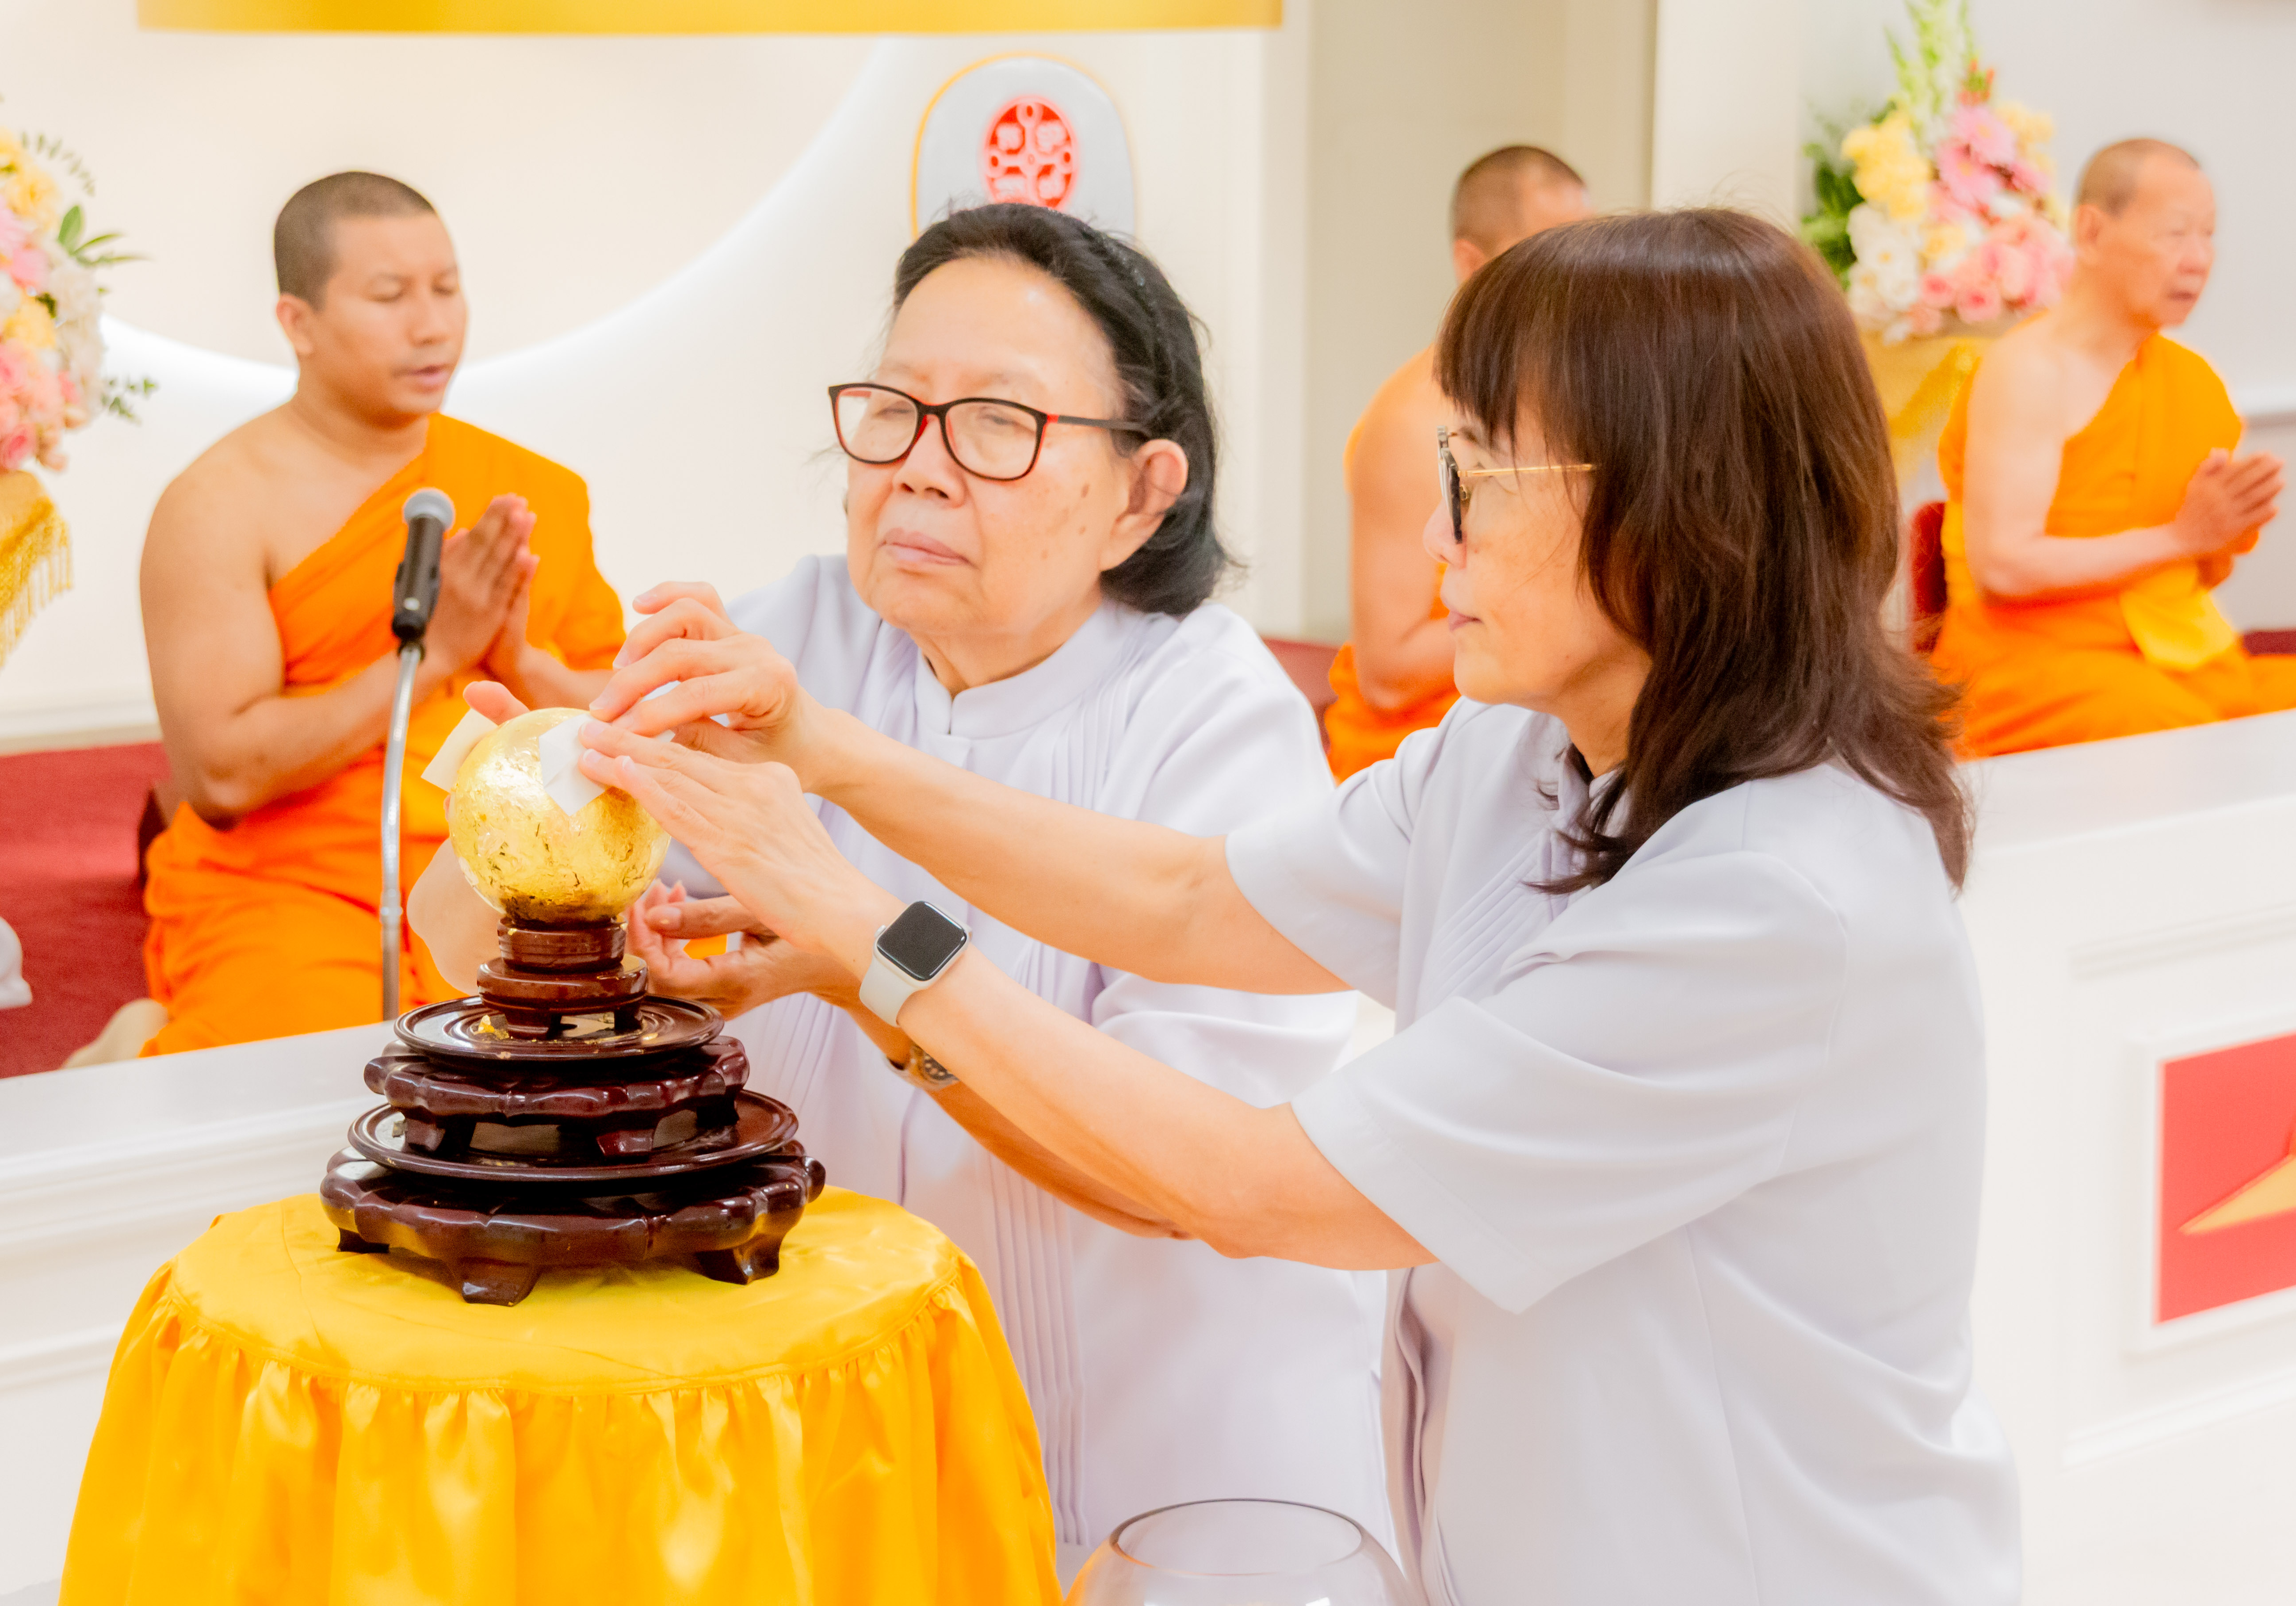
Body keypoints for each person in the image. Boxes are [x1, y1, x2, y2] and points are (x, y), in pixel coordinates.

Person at [563, 210, 2022, 1605]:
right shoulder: (1520, 753)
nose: (1430, 536)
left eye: (1481, 477)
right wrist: (825, 755)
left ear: (1679, 513)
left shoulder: (1774, 902)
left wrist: (852, 922)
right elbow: (1190, 895)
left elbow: (1249, 1185)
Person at [410, 205, 1385, 1557]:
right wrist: (562, 783)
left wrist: (860, 971)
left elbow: (1173, 1172)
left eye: (999, 425)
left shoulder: (1219, 720)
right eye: (895, 411)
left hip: (1156, 1468)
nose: (919, 472)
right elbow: (459, 945)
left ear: (1143, 493)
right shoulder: (804, 630)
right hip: (847, 1433)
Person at [132, 172, 622, 1057]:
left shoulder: (528, 491)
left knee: (660, 1043)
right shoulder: (219, 505)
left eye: (447, 288)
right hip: (295, 884)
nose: (432, 324)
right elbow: (225, 775)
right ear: (299, 323)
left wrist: (519, 662)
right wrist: (433, 656)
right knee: (297, 1079)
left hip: (518, 874)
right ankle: (134, 1042)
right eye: (390, 296)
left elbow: (618, 710)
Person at [1931, 138, 2292, 755]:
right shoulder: (2028, 372)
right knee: (2182, 746)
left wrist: (2219, 527)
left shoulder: (2189, 379)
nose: (2199, 259)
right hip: (2031, 665)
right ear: (2093, 232)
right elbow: (2004, 568)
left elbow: (2198, 565)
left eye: (2208, 235)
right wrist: (2182, 537)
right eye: (2175, 234)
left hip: (2165, 653)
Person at [1322, 145, 1592, 780]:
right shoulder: (1416, 420)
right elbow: (1388, 672)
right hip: (1419, 773)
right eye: (1551, 257)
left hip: (1530, 748)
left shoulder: (1563, 396)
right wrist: (1572, 618)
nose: (1583, 281)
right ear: (1474, 266)